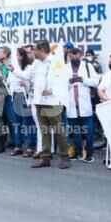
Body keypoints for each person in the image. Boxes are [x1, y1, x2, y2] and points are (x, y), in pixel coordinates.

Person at [9, 39, 70, 169]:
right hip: (39, 101)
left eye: (35, 49)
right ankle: (45, 158)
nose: (32, 52)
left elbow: (62, 80)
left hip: (52, 102)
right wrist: (14, 70)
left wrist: (52, 90)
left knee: (58, 131)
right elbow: (26, 76)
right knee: (44, 131)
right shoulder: (36, 63)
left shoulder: (55, 62)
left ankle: (65, 157)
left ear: (42, 50)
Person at [65, 47, 100, 162]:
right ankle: (77, 152)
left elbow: (95, 82)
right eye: (71, 55)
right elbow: (60, 86)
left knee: (89, 132)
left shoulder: (87, 66)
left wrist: (83, 80)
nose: (74, 57)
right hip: (71, 105)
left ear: (80, 55)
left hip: (85, 105)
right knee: (76, 132)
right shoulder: (65, 68)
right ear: (69, 56)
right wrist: (69, 82)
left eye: (76, 55)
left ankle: (89, 153)